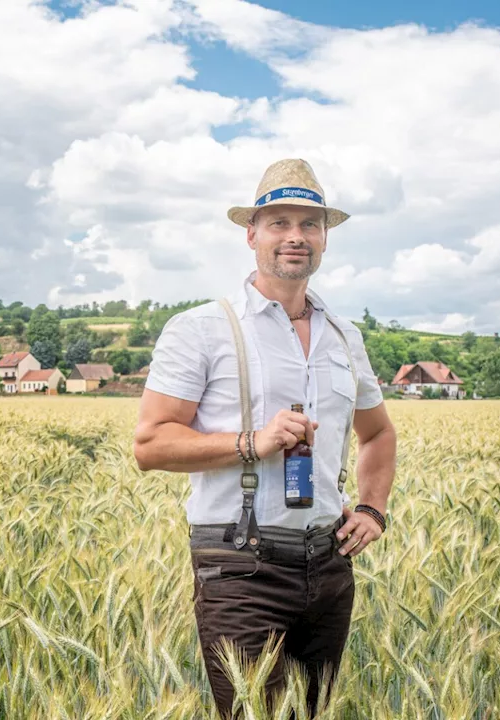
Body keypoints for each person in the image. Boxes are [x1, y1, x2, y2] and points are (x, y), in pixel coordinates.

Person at [132, 158, 398, 717]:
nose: (295, 237)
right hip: (239, 565)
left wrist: (373, 510)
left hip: (328, 565)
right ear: (251, 234)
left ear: (325, 238)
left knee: (312, 713)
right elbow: (151, 445)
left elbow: (377, 434)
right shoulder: (202, 328)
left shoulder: (345, 336)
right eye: (279, 222)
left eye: (309, 224)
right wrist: (254, 441)